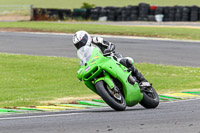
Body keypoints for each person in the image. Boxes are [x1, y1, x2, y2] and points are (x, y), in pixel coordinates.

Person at [72, 30, 150, 87]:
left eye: (81, 42)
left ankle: (143, 80)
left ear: (87, 37)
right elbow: (83, 61)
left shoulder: (96, 40)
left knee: (125, 61)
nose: (80, 45)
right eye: (78, 45)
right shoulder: (82, 52)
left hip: (110, 57)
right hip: (98, 64)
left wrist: (108, 50)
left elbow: (110, 44)